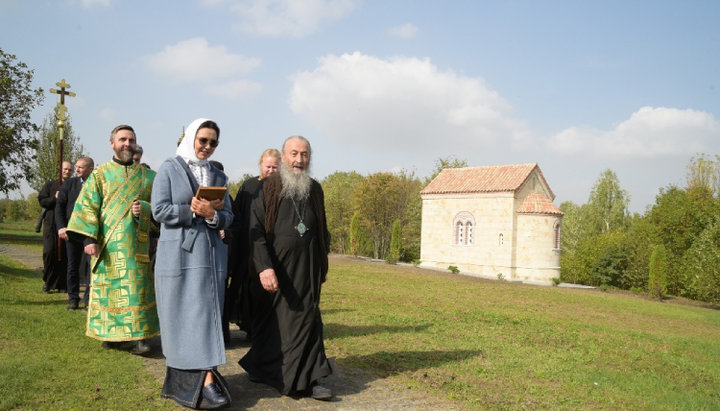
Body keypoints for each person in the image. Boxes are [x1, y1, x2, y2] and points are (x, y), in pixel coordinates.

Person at [239, 136, 333, 400]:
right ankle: (263, 366)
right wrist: (264, 267)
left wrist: (322, 262)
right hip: (276, 270)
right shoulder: (267, 187)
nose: (299, 160)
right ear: (283, 157)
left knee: (309, 320)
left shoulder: (314, 188)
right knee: (274, 326)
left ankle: (313, 378)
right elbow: (254, 231)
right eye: (294, 154)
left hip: (307, 269)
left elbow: (322, 228)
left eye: (304, 155)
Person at [152, 119, 233, 409]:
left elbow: (229, 217)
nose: (207, 147)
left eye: (213, 142)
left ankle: (207, 378)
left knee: (207, 317)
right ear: (190, 138)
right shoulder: (169, 168)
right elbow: (159, 210)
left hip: (211, 258)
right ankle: (205, 381)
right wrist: (193, 211)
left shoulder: (218, 176)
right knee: (185, 318)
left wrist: (213, 215)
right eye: (203, 141)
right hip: (180, 256)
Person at [66, 125, 159, 355]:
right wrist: (88, 238)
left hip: (137, 246)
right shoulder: (99, 174)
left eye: (131, 139)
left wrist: (145, 209)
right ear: (112, 143)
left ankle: (137, 338)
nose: (127, 143)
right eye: (122, 139)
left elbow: (160, 210)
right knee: (111, 291)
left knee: (135, 291)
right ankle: (111, 336)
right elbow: (87, 206)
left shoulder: (149, 177)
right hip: (107, 245)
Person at [224, 148, 280, 342]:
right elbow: (236, 215)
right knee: (244, 288)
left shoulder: (283, 187)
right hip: (246, 245)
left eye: (275, 167)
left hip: (271, 247)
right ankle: (247, 326)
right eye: (268, 166)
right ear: (260, 165)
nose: (271, 170)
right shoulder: (248, 186)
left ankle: (264, 328)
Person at [56, 156, 95, 310]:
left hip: (89, 233)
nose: (76, 169)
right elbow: (60, 206)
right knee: (72, 266)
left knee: (90, 267)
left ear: (90, 169)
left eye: (80, 167)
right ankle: (73, 298)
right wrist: (61, 227)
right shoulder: (69, 184)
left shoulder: (97, 184)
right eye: (76, 166)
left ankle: (88, 300)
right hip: (71, 232)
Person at [38, 161, 73, 293]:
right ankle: (48, 281)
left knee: (64, 255)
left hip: (67, 224)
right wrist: (54, 198)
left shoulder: (73, 185)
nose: (67, 172)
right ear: (60, 169)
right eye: (65, 169)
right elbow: (42, 200)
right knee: (49, 252)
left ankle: (62, 284)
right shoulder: (50, 185)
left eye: (70, 170)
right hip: (50, 225)